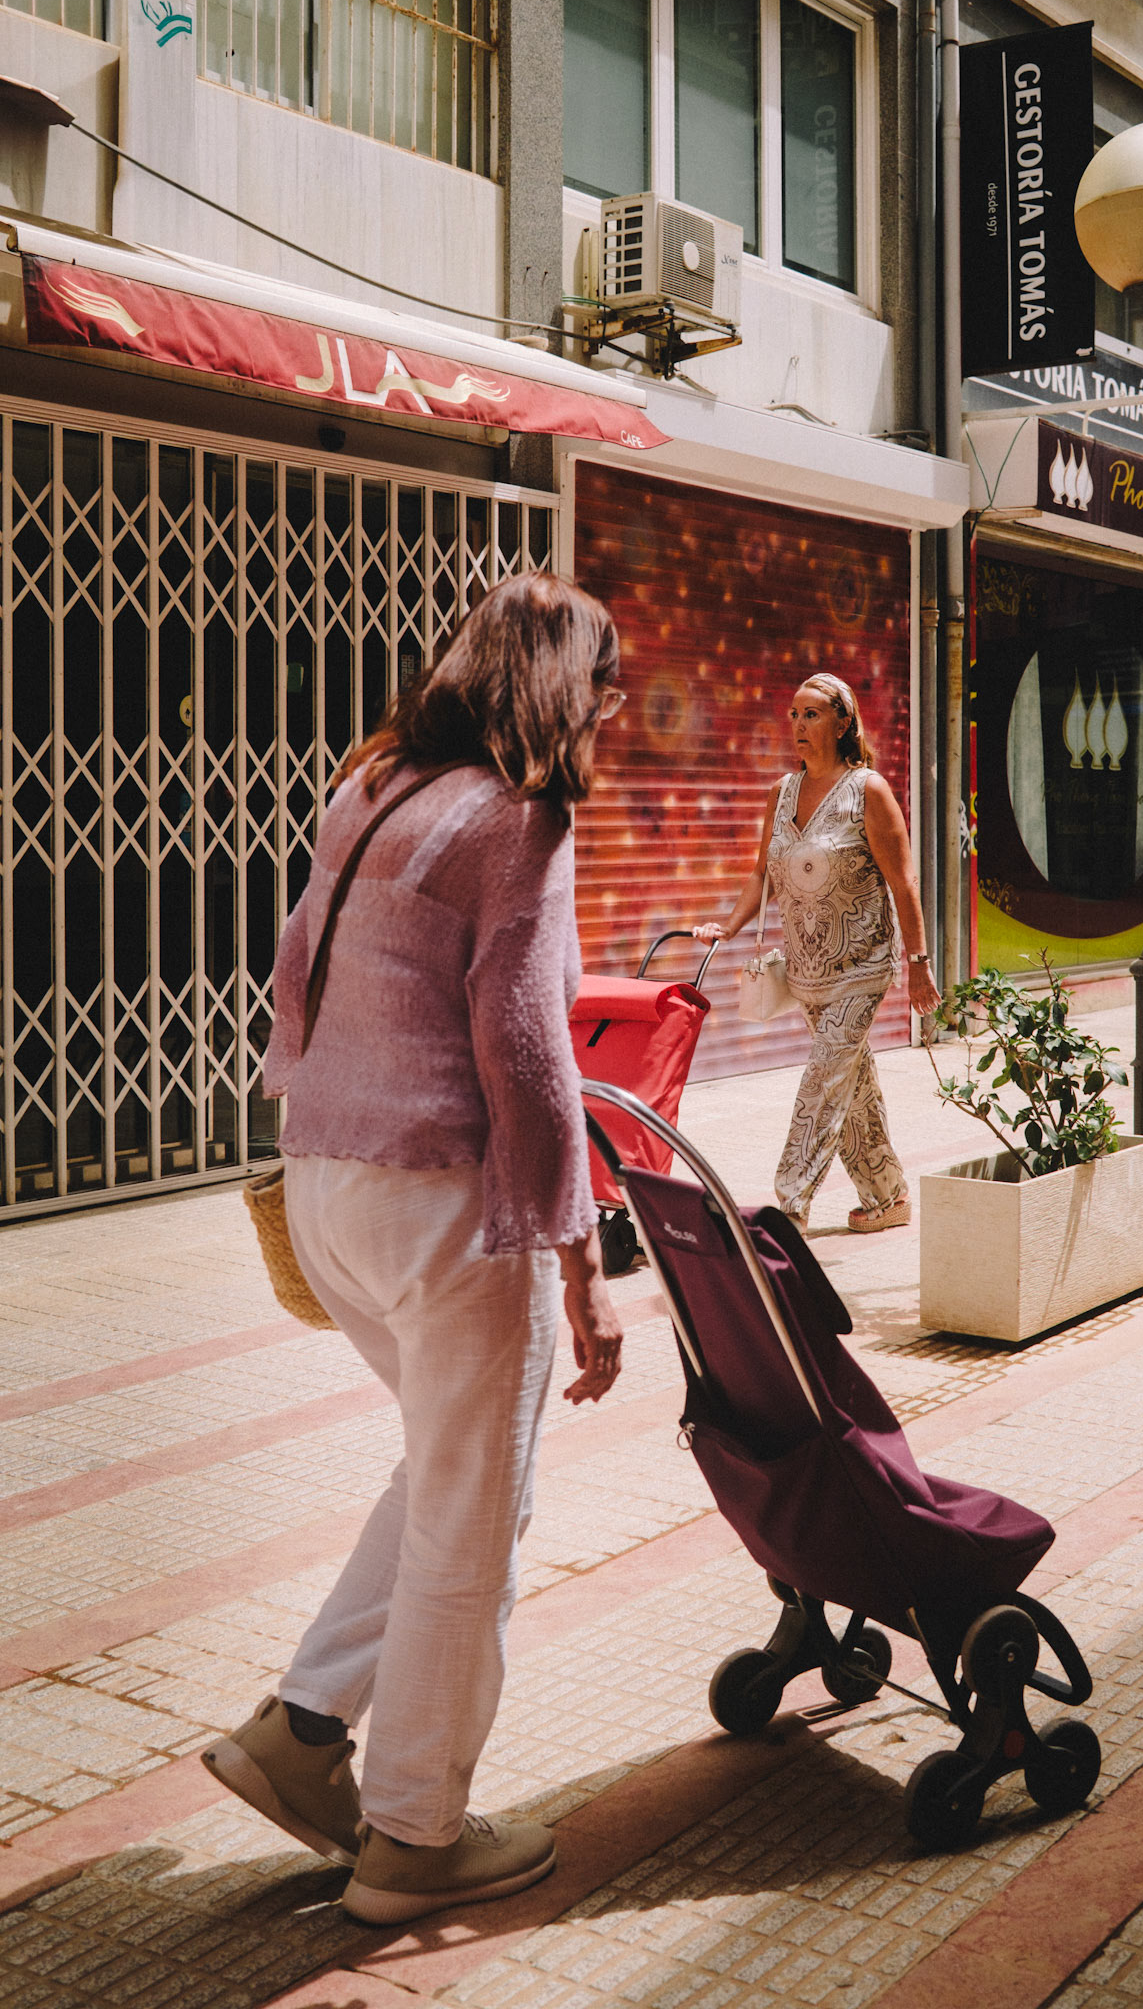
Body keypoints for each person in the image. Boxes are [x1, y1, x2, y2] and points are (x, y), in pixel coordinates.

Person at [203, 574, 624, 1927]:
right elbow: (524, 1042)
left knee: (445, 1475)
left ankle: (301, 1734)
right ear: (563, 685)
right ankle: (414, 1838)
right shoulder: (519, 816)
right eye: (605, 686)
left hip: (329, 1186)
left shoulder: (372, 787)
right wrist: (583, 1256)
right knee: (473, 1518)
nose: (613, 712)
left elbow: (289, 966)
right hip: (446, 1206)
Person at [693, 673, 941, 1234]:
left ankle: (788, 1209)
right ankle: (887, 1196)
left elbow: (903, 884)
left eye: (812, 714)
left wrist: (919, 966)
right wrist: (728, 928)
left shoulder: (867, 790)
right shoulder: (780, 793)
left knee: (820, 1085)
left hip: (862, 967)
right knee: (850, 1086)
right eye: (794, 715)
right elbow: (763, 873)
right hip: (807, 973)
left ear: (843, 721)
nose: (799, 726)